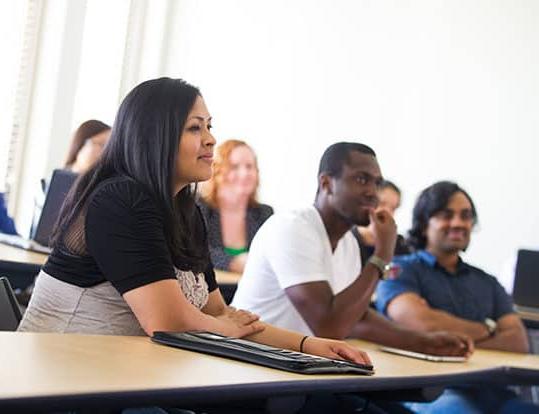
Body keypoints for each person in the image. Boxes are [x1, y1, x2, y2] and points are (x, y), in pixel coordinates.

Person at [18, 78, 369, 368]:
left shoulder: (186, 211)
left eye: (209, 126)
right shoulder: (120, 199)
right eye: (194, 128)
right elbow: (167, 322)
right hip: (59, 381)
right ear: (155, 135)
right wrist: (223, 328)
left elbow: (218, 311)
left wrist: (310, 345)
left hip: (123, 378)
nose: (211, 139)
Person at [232, 142, 472, 357]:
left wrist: (423, 342)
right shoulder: (293, 227)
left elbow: (356, 319)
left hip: (299, 371)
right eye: (361, 179)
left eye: (376, 183)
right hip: (256, 369)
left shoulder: (347, 242)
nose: (372, 192)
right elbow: (329, 326)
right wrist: (382, 254)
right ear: (326, 183)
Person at [375, 181, 535, 413]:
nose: (459, 223)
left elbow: (517, 341)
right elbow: (419, 322)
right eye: (446, 215)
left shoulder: (487, 281)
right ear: (423, 224)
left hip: (491, 390)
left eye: (466, 216)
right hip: (430, 391)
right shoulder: (400, 270)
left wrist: (445, 334)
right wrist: (487, 329)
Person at [198, 139, 273, 273]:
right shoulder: (199, 208)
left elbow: (272, 257)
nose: (244, 174)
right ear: (217, 171)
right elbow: (196, 252)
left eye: (249, 166)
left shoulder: (264, 213)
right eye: (234, 166)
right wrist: (233, 263)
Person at [353, 179, 411, 266]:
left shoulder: (399, 244)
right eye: (381, 204)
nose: (387, 212)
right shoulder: (346, 239)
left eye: (393, 208)